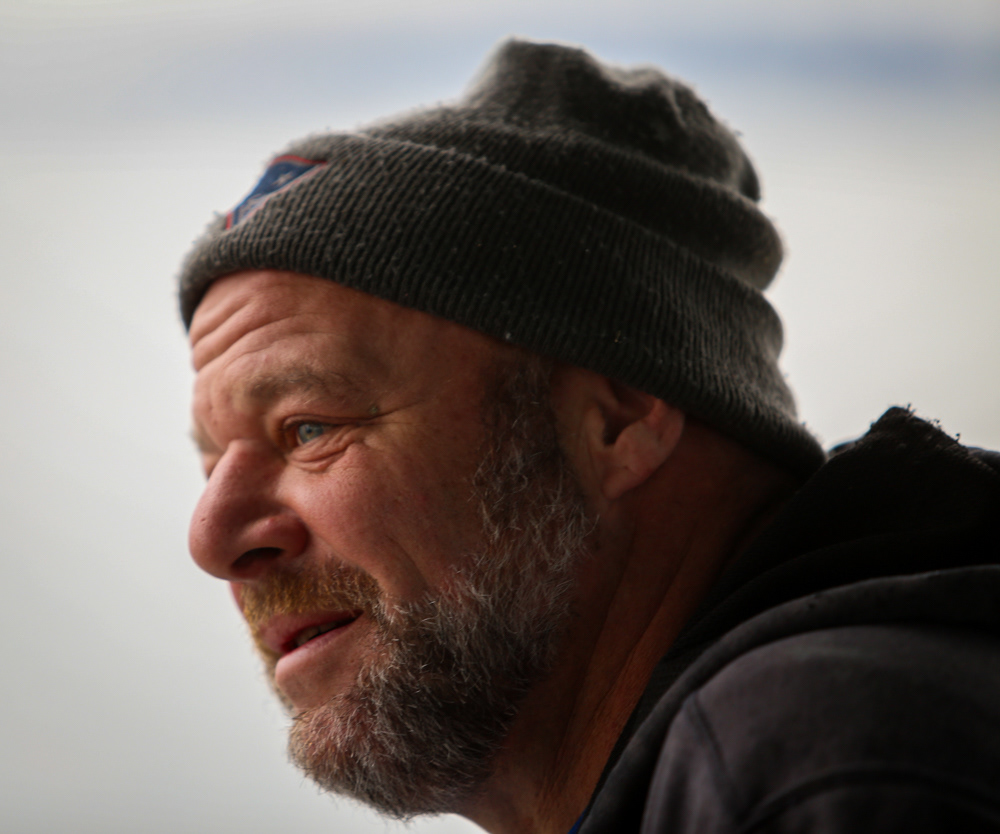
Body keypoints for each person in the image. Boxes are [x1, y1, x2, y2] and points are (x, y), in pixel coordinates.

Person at [178, 39, 1000, 834]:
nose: (212, 539)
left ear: (618, 418)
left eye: (309, 428)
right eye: (211, 463)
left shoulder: (818, 763)